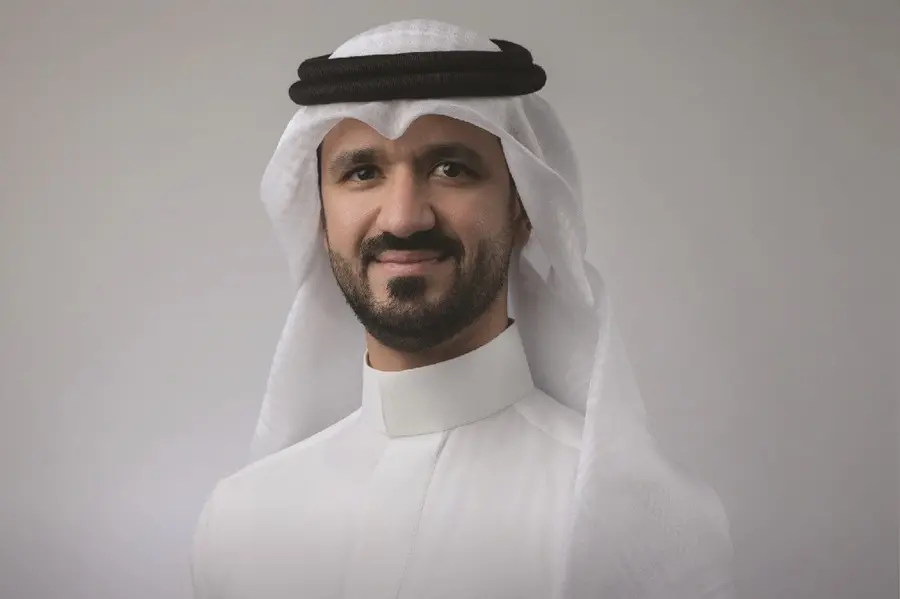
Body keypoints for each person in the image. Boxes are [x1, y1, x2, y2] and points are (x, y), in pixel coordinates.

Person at [191, 19, 736, 599]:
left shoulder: (640, 530)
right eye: (363, 173)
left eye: (450, 169)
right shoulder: (239, 522)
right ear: (322, 219)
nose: (403, 218)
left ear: (523, 207)